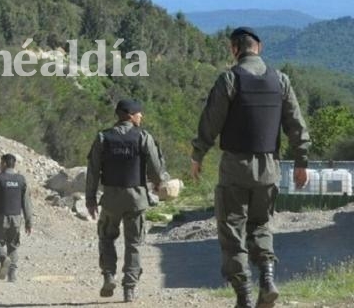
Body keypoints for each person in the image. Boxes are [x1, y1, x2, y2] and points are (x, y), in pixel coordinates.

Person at [190, 27, 310, 308]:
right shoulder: (280, 80)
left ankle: (243, 294)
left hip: (235, 166)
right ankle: (267, 278)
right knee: (261, 224)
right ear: (260, 47)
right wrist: (301, 162)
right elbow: (297, 126)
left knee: (232, 228)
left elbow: (210, 122)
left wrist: (198, 155)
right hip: (269, 167)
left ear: (234, 49)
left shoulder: (230, 79)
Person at [85, 99, 169, 303]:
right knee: (134, 243)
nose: (141, 116)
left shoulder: (103, 137)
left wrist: (90, 199)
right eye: (139, 113)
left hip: (111, 199)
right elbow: (156, 168)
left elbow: (93, 171)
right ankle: (129, 288)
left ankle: (108, 275)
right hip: (136, 199)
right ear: (130, 115)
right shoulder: (143, 136)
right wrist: (159, 184)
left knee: (106, 238)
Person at [0, 153, 33, 282]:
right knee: (13, 246)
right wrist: (29, 222)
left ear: (4, 163)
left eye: (1, 163)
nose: (0, 166)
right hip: (16, 219)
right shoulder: (21, 180)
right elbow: (26, 203)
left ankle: (2, 258)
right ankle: (12, 275)